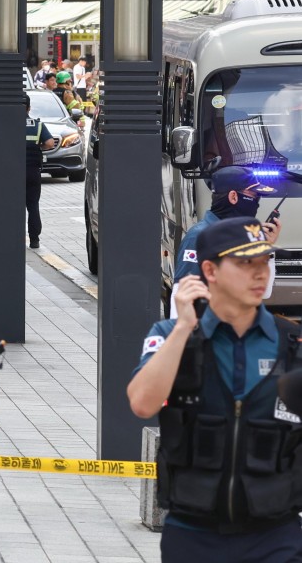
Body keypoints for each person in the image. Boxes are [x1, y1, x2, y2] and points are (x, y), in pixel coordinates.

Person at [127, 217, 302, 563]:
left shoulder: (291, 343)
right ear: (210, 270)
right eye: (244, 263)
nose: (260, 273)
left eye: (265, 260)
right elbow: (142, 403)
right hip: (193, 535)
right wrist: (183, 331)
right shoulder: (170, 334)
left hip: (276, 535)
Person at [170, 166, 281, 317]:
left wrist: (266, 248)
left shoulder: (244, 237)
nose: (257, 203)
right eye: (254, 196)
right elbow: (181, 300)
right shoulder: (199, 236)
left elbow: (264, 292)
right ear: (233, 197)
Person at [25, 93, 55, 249]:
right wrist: (40, 147)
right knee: (33, 205)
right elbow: (50, 142)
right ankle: (34, 239)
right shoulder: (37, 125)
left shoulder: (10, 124)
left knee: (15, 205)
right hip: (33, 171)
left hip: (14, 172)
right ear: (29, 108)